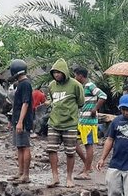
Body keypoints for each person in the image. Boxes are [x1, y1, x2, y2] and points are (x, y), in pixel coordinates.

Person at [46, 58, 85, 188]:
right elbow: (52, 100)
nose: (56, 74)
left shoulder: (75, 85)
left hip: (70, 124)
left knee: (70, 152)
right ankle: (55, 177)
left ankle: (69, 178)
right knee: (51, 149)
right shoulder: (51, 85)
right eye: (54, 72)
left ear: (65, 72)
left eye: (59, 72)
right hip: (54, 123)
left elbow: (80, 102)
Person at [73, 67, 107, 180]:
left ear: (80, 76)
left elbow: (103, 96)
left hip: (89, 121)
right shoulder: (82, 87)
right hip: (82, 120)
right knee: (74, 142)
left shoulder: (90, 85)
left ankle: (86, 171)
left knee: (88, 145)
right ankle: (87, 165)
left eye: (75, 76)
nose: (74, 78)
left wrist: (95, 109)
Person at [7, 59, 33, 184]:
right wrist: (13, 120)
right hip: (17, 119)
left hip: (23, 120)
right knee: (19, 146)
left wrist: (21, 121)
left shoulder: (25, 84)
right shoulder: (20, 84)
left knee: (25, 146)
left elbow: (25, 103)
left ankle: (26, 175)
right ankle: (20, 172)